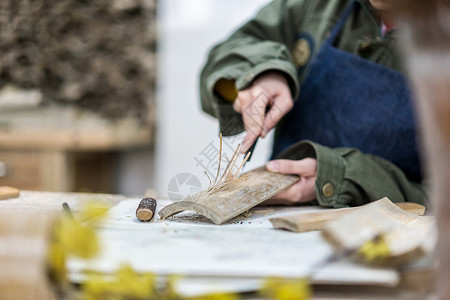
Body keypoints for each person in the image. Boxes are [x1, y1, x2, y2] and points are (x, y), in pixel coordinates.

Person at [200, 0, 428, 208]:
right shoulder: (316, 7)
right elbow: (231, 51)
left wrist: (343, 178)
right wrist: (261, 73)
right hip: (279, 226)